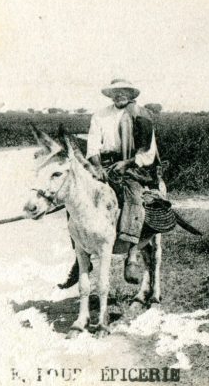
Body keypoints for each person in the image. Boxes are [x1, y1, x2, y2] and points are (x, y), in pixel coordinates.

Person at [60, 78, 160, 288]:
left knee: (134, 195)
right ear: (110, 95)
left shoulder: (141, 116)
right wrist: (97, 168)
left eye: (124, 91)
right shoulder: (100, 115)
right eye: (116, 92)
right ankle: (80, 259)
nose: (119, 95)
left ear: (130, 94)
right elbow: (93, 146)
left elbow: (147, 153)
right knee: (75, 199)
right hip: (103, 164)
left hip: (132, 164)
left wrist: (127, 163)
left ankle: (132, 254)